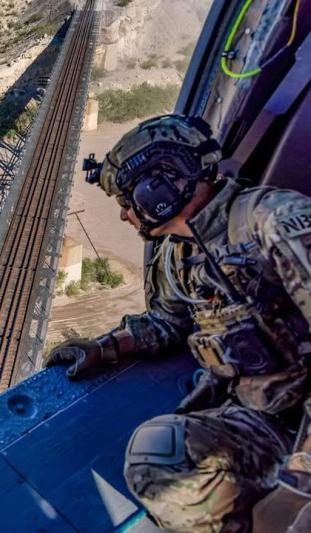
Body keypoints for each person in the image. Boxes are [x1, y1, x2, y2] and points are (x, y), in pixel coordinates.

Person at [45, 114, 311, 531]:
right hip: (267, 420)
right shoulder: (179, 256)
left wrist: (299, 484)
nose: (124, 217)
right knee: (157, 454)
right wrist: (107, 346)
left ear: (161, 188)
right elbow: (169, 322)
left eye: (127, 201)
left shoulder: (274, 222)